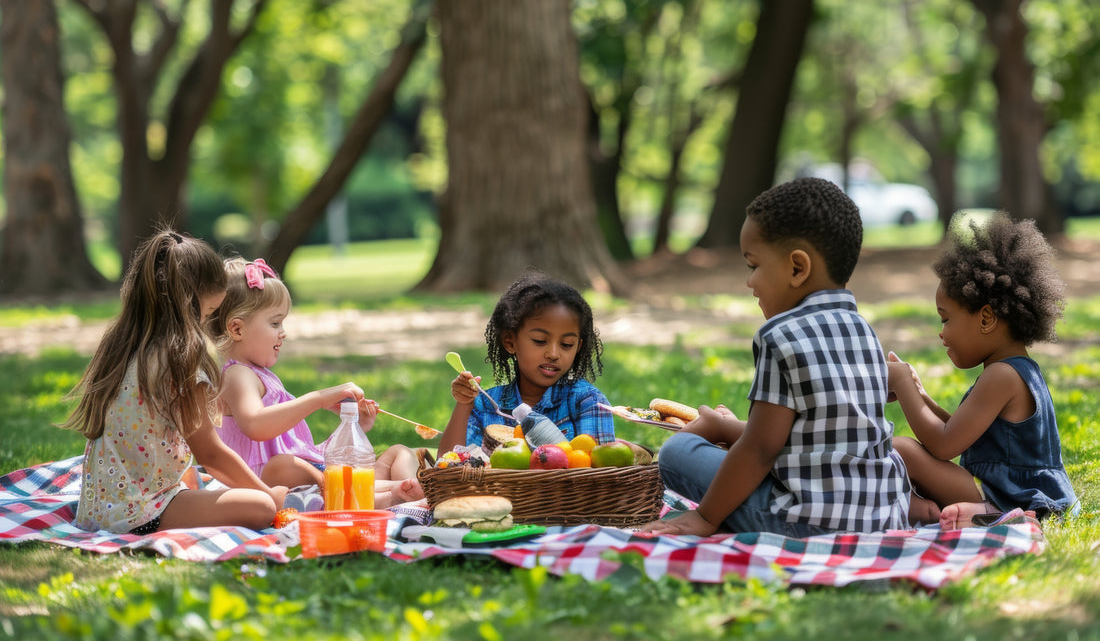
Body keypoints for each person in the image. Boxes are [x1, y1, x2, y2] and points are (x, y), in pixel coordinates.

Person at [641, 177, 912, 538]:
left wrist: (704, 517)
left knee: (677, 452)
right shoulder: (865, 331)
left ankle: (721, 506)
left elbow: (761, 448)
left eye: (753, 266)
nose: (750, 283)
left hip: (798, 522)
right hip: (877, 518)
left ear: (797, 268)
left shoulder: (779, 335)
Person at [63, 230, 287, 534]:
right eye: (208, 313)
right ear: (189, 304)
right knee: (259, 507)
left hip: (98, 507)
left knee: (204, 485)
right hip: (140, 512)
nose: (207, 325)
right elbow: (211, 454)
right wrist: (268, 494)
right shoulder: (181, 359)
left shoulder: (126, 343)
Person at [886, 212, 1077, 528]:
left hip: (1008, 495)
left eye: (946, 319)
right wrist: (921, 395)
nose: (941, 331)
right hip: (1003, 489)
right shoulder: (1016, 371)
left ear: (986, 318)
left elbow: (945, 445)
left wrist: (903, 384)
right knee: (904, 451)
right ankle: (930, 509)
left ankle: (986, 515)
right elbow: (965, 433)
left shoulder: (1001, 376)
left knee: (902, 448)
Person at [208, 257, 423, 508]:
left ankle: (402, 492)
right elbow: (256, 426)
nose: (283, 332)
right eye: (275, 323)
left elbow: (302, 452)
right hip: (266, 482)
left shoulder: (261, 375)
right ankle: (392, 495)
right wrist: (318, 398)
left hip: (310, 477)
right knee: (284, 466)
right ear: (237, 329)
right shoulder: (237, 375)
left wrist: (353, 427)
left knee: (398, 452)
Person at [438, 271, 615, 455]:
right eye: (539, 340)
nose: (554, 354)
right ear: (510, 341)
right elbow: (448, 463)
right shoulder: (486, 405)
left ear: (577, 347)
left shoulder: (587, 401)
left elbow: (599, 469)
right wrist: (464, 404)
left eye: (566, 344)